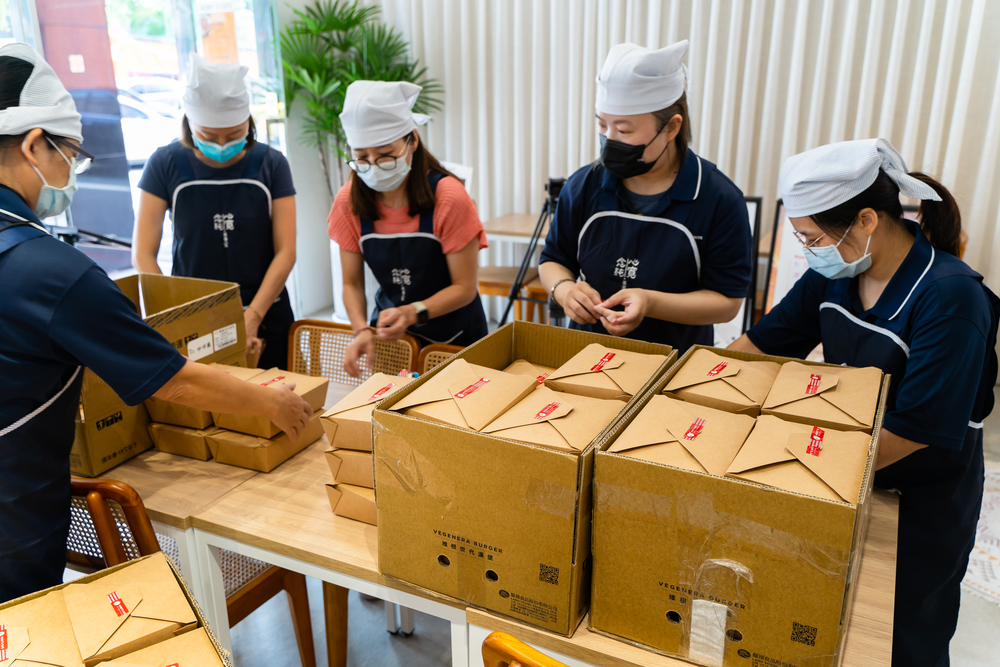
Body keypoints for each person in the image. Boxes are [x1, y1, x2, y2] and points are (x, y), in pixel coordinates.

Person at [0, 43, 313, 603]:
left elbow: (285, 250)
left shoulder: (271, 163)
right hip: (13, 516)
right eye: (70, 153)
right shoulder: (51, 272)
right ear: (32, 145)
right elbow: (174, 379)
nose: (71, 169)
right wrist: (272, 402)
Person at [729, 138, 998, 667]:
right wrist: (700, 396)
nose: (807, 251)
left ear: (867, 220)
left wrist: (796, 471)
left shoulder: (950, 298)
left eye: (811, 237)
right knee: (825, 618)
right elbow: (757, 348)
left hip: (921, 498)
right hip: (853, 468)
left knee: (900, 634)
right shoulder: (836, 275)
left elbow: (915, 429)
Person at [539, 40, 752, 353]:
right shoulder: (584, 186)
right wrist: (564, 289)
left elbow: (726, 302)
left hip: (674, 364)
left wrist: (650, 303)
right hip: (587, 354)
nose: (609, 140)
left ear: (671, 127)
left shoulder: (718, 199)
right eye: (602, 126)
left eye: (624, 131)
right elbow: (553, 260)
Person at [133, 54, 296, 369]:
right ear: (189, 123)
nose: (222, 146)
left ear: (248, 123)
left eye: (234, 135)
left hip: (265, 310)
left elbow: (286, 250)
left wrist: (253, 316)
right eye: (209, 136)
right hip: (195, 315)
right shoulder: (165, 164)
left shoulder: (271, 164)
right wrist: (173, 319)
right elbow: (143, 254)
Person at [328, 81, 488, 377]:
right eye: (362, 158)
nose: (374, 167)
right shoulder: (348, 202)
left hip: (454, 340)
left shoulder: (449, 198)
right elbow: (351, 283)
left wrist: (412, 312)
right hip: (392, 339)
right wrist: (361, 329)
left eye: (386, 155)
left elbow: (464, 288)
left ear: (412, 140)